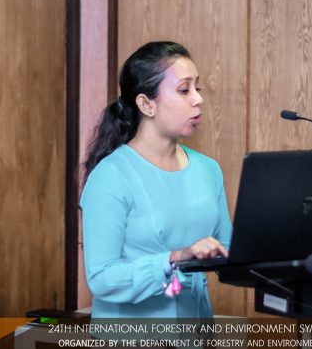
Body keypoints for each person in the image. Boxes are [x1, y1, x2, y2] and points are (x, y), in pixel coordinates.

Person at [81, 41, 233, 318]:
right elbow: (102, 278)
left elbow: (229, 250)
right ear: (146, 104)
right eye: (184, 90)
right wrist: (173, 259)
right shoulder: (110, 176)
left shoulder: (208, 169)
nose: (198, 99)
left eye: (197, 88)